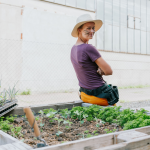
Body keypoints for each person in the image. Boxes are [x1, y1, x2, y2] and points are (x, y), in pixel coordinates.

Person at [70, 14, 119, 106]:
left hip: (84, 94)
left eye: (93, 28)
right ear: (79, 30)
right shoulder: (88, 48)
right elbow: (109, 71)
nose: (92, 31)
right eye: (88, 28)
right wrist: (101, 72)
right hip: (99, 96)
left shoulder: (73, 49)